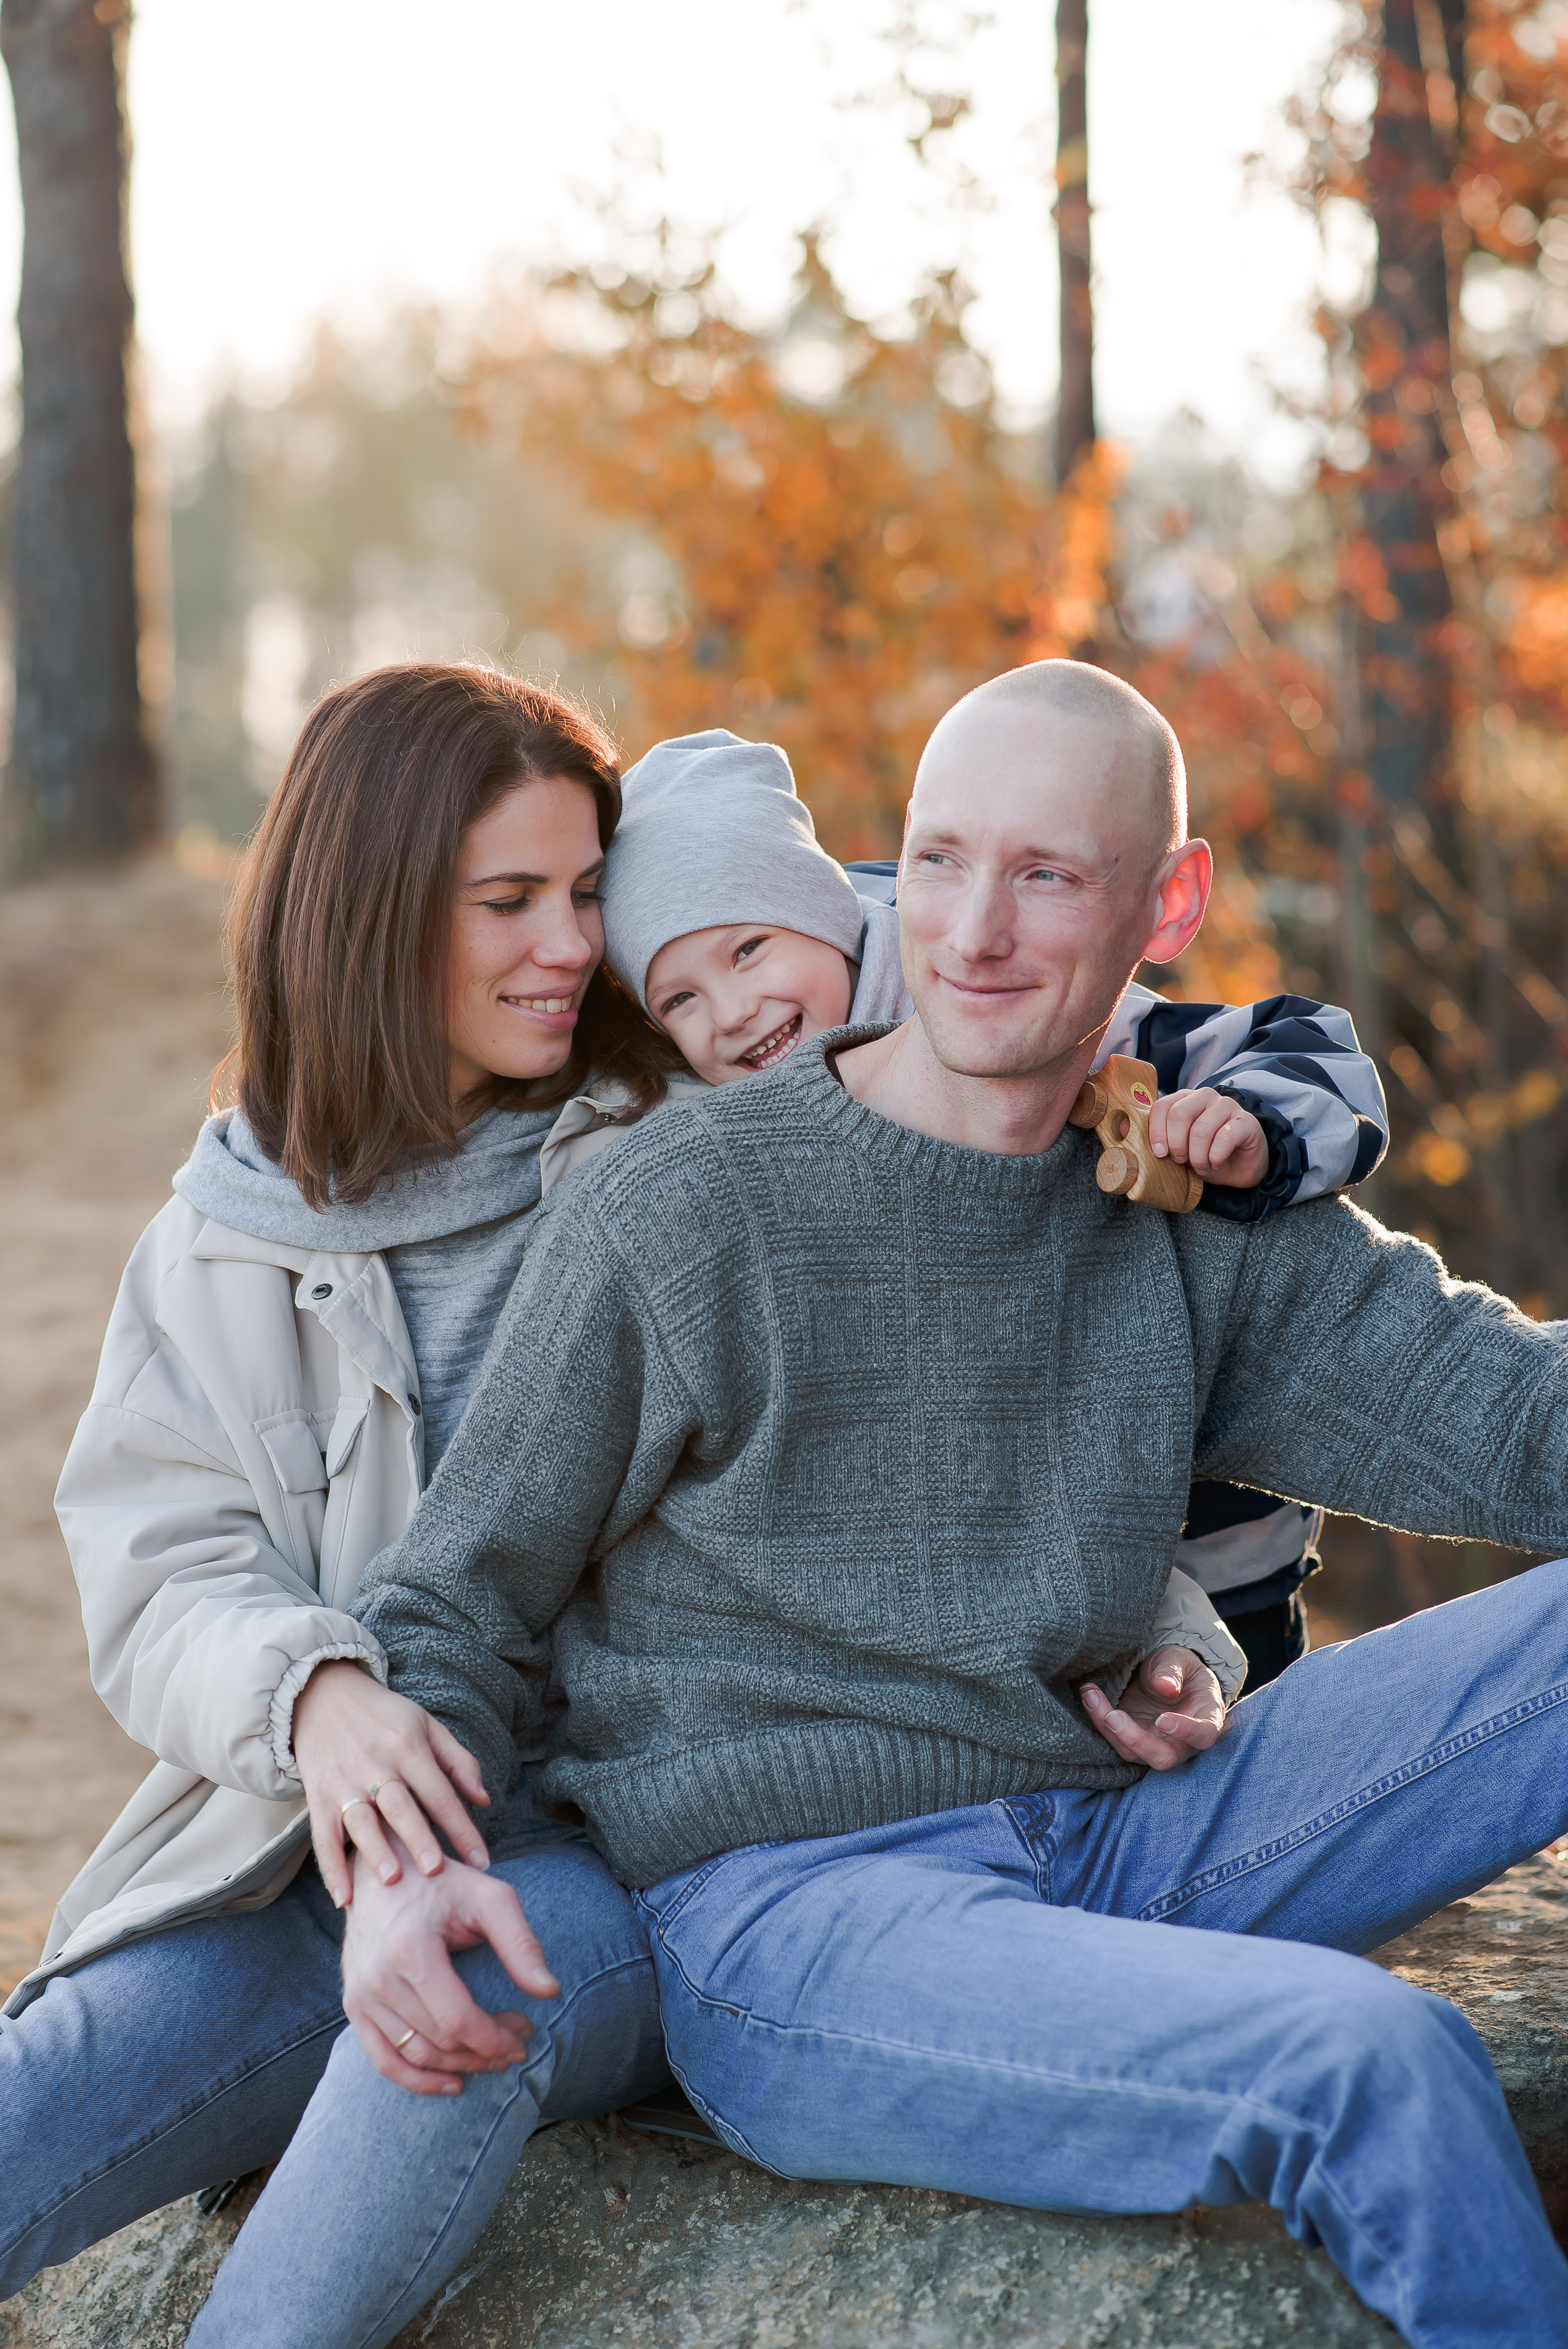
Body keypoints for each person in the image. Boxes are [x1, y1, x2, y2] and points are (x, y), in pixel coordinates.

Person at [347, 661, 1568, 2348]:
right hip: (803, 1917)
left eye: (1048, 875)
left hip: (1135, 1835)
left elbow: (1516, 1423)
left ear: (1169, 901)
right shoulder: (688, 1203)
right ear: (891, 869)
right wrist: (402, 1879)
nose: (975, 931)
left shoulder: (1174, 1186)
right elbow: (451, 1603)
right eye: (939, 861)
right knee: (1377, 2056)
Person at [0, 665, 676, 2349]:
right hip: (299, 1867)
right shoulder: (220, 1232)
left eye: (589, 892)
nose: (568, 945)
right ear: (369, 915)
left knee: (425, 2046)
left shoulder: (671, 1161)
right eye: (507, 901)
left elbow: (903, 942)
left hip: (604, 1865)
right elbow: (161, 1577)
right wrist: (315, 1693)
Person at [548, 726, 1388, 1688]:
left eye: (749, 949)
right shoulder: (733, 1128)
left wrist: (1252, 1126)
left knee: (1239, 1759)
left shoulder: (983, 994)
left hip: (1214, 1538)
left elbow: (1308, 1042)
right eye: (680, 998)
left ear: (823, 916)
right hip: (1023, 1567)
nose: (731, 1011)